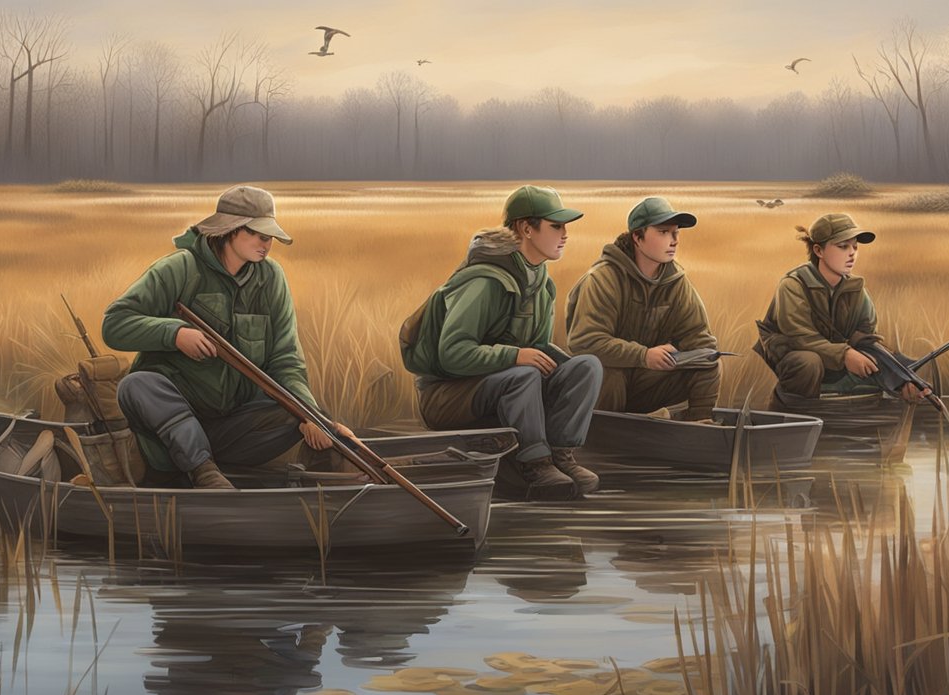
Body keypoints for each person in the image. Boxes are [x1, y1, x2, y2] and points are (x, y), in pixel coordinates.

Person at [102, 185, 358, 490]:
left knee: (301, 413)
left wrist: (310, 415)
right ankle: (203, 472)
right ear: (231, 230)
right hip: (169, 429)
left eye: (271, 237)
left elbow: (286, 358)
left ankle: (340, 469)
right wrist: (175, 334)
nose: (268, 244)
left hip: (233, 426)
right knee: (136, 385)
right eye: (260, 235)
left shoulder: (271, 279)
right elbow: (114, 324)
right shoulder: (180, 269)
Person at [403, 185, 603, 501]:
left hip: (499, 389)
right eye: (556, 226)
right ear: (526, 228)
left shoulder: (542, 285)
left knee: (586, 366)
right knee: (523, 375)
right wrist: (515, 356)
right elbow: (452, 353)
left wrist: (570, 373)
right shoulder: (485, 282)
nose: (565, 234)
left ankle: (560, 456)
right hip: (447, 396)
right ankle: (534, 464)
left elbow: (537, 346)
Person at [565, 196, 720, 422]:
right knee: (609, 371)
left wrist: (685, 354)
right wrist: (644, 356)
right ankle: (603, 435)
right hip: (603, 387)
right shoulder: (604, 278)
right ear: (637, 237)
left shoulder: (676, 282)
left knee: (708, 362)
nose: (674, 240)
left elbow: (700, 338)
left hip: (646, 381)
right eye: (663, 232)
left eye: (676, 232)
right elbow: (585, 342)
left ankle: (699, 427)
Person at [754, 212, 927, 409]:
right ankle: (788, 416)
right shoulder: (793, 285)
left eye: (855, 247)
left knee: (875, 360)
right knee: (809, 362)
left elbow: (866, 339)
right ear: (819, 251)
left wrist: (902, 377)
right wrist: (845, 355)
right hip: (793, 355)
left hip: (836, 355)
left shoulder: (857, 290)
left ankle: (851, 419)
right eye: (843, 247)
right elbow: (800, 338)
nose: (852, 253)